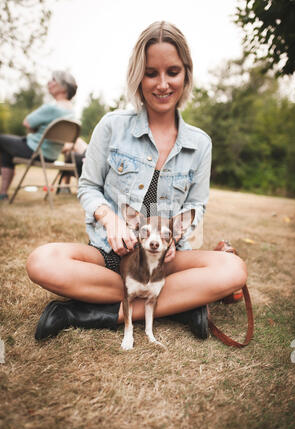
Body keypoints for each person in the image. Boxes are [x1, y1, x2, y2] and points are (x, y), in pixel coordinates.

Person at [26, 21, 247, 341]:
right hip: (109, 257)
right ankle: (182, 304)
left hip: (164, 259)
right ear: (137, 75)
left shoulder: (200, 143)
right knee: (42, 262)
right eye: (150, 72)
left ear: (186, 74)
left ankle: (83, 313)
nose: (162, 84)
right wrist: (110, 219)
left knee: (233, 270)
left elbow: (197, 205)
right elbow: (88, 187)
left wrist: (174, 235)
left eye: (172, 71)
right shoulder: (111, 126)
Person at [0, 71, 77, 200]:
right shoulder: (72, 113)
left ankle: (3, 192)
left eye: (53, 80)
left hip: (35, 151)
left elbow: (27, 122)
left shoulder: (52, 108)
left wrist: (35, 129)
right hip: (51, 156)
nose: (49, 82)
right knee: (6, 150)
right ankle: (3, 193)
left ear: (63, 87)